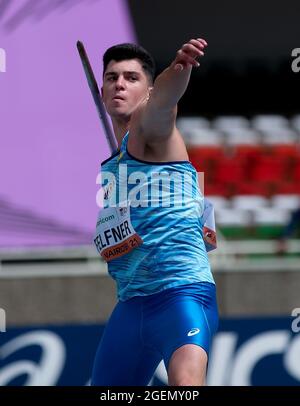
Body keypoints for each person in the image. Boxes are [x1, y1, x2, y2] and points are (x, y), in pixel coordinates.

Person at [91, 38, 218, 386]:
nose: (119, 83)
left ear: (146, 90)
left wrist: (180, 67)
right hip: (131, 306)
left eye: (132, 78)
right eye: (112, 77)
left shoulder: (152, 128)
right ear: (101, 91)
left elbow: (165, 100)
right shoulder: (116, 162)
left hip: (181, 296)